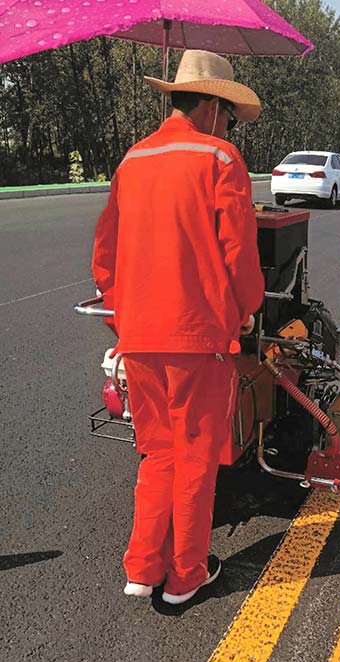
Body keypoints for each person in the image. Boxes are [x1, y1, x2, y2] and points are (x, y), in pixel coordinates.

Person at [92, 50, 265, 605]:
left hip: (138, 337)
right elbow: (239, 252)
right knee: (194, 458)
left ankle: (142, 568)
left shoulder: (133, 159)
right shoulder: (220, 157)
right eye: (229, 116)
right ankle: (187, 574)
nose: (229, 126)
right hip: (198, 338)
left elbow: (105, 256)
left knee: (157, 452)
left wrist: (125, 316)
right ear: (212, 106)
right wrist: (245, 310)